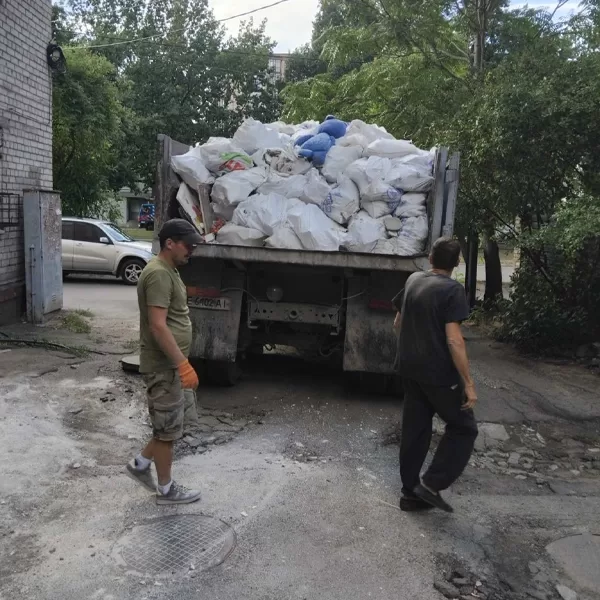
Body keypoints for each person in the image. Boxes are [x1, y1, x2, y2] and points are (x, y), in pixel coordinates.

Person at [392, 236, 478, 513]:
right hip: (438, 374)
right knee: (464, 428)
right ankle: (430, 485)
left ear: (430, 258)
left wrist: (415, 347)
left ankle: (410, 494)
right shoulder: (452, 290)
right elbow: (454, 340)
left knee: (415, 429)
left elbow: (397, 323)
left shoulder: (413, 280)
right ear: (457, 263)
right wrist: (468, 383)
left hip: (409, 368)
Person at [125, 218, 203, 504]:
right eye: (187, 245)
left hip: (170, 366)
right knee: (167, 431)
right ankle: (167, 490)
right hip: (163, 367)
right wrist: (182, 364)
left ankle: (141, 464)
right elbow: (158, 326)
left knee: (169, 426)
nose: (191, 250)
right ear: (169, 243)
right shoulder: (158, 273)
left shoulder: (170, 270)